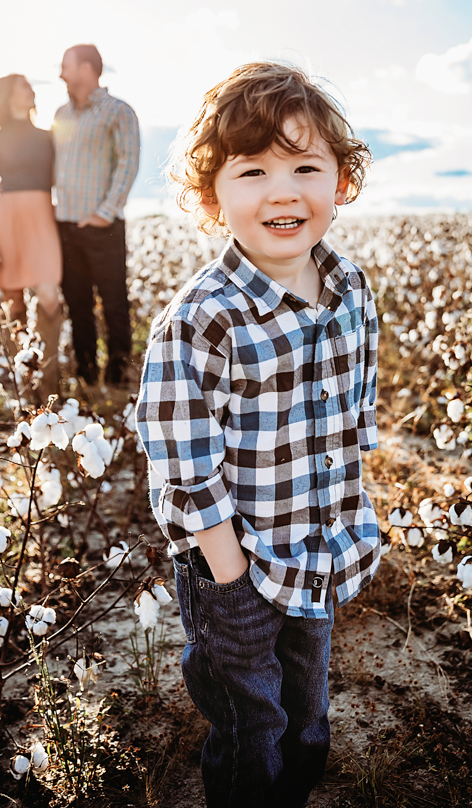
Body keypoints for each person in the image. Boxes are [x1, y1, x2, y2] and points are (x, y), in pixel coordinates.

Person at [136, 62, 380, 808]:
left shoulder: (351, 290)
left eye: (306, 165)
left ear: (339, 182)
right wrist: (231, 580)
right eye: (251, 171)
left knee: (306, 706)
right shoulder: (201, 316)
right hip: (231, 567)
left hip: (315, 548)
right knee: (252, 720)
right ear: (212, 198)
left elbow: (350, 419)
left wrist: (344, 523)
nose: (282, 189)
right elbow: (183, 463)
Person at [53, 44, 140, 388]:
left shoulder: (118, 111)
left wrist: (105, 213)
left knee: (114, 302)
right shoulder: (60, 115)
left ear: (88, 69)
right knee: (77, 305)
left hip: (102, 226)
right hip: (66, 225)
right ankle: (87, 377)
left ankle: (119, 379)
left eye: (66, 67)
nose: (61, 74)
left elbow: (128, 162)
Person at [0, 74, 63, 398]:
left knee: (48, 295)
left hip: (42, 217)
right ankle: (25, 388)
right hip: (6, 220)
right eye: (23, 86)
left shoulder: (49, 137)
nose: (31, 91)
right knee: (12, 301)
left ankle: (49, 383)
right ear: (8, 97)